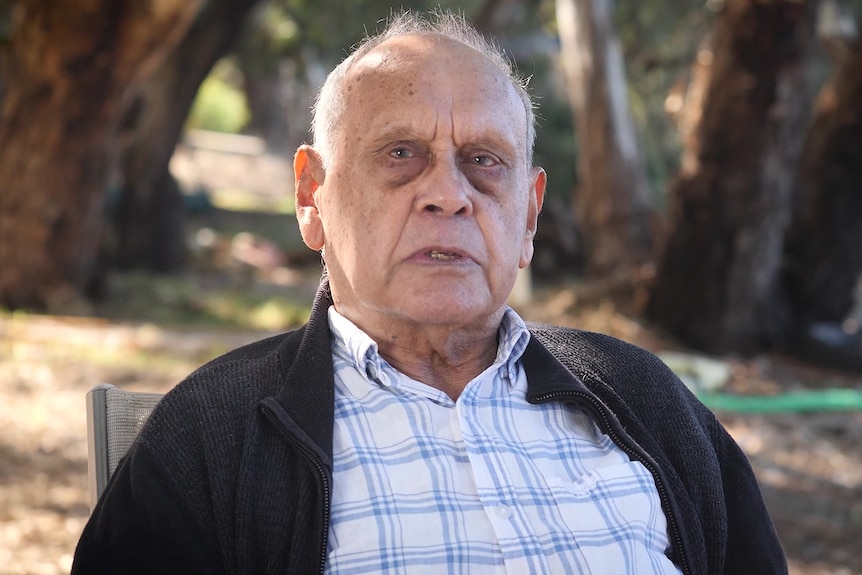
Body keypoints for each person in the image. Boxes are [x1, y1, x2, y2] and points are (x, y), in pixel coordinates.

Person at [72, 10, 787, 575]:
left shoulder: (645, 400)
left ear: (529, 216)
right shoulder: (211, 434)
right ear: (312, 196)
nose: (448, 194)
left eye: (484, 162)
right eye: (400, 154)